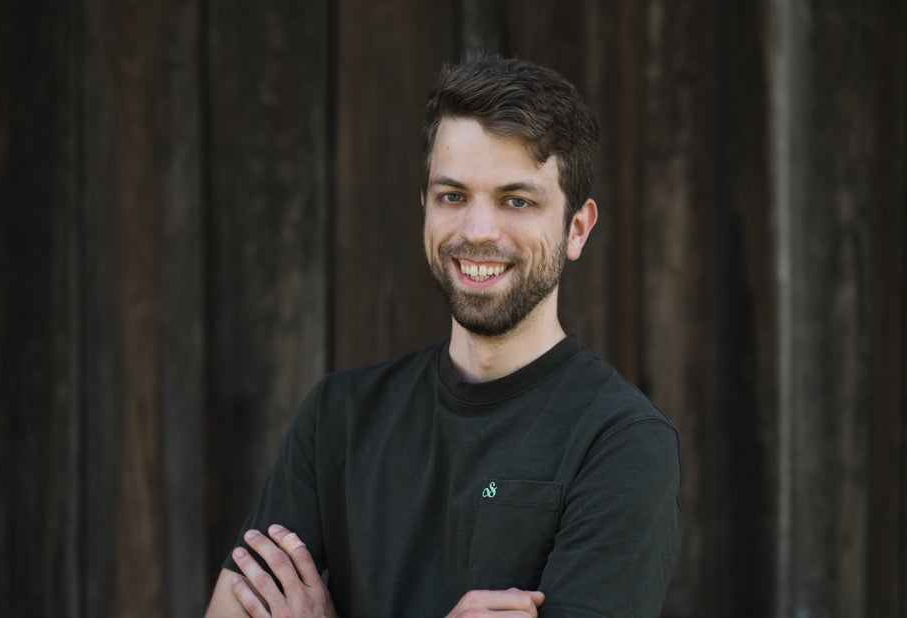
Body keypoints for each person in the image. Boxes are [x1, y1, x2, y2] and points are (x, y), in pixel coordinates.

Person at [206, 54, 682, 617]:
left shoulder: (621, 443)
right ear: (426, 209)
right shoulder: (338, 417)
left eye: (517, 200)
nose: (478, 231)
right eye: (453, 196)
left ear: (576, 228)